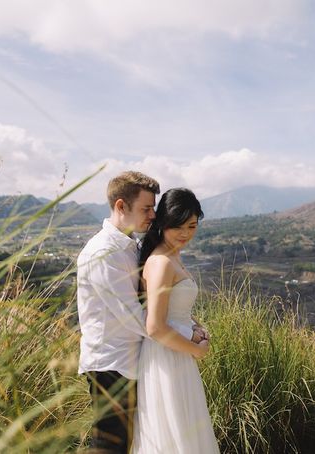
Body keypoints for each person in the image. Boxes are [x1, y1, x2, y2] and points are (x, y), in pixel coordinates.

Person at [77, 171, 204, 453]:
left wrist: (189, 324)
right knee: (112, 446)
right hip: (111, 364)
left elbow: (153, 303)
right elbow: (134, 316)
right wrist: (188, 339)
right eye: (146, 209)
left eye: (153, 208)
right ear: (121, 206)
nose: (152, 216)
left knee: (141, 441)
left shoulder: (131, 246)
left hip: (138, 359)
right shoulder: (102, 253)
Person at [132, 188, 220, 453]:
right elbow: (155, 326)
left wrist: (195, 325)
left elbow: (174, 310)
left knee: (186, 433)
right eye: (177, 226)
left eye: (191, 226)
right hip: (166, 358)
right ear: (162, 224)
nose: (185, 234)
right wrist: (197, 350)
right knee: (175, 436)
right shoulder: (161, 262)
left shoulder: (173, 254)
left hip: (177, 353)